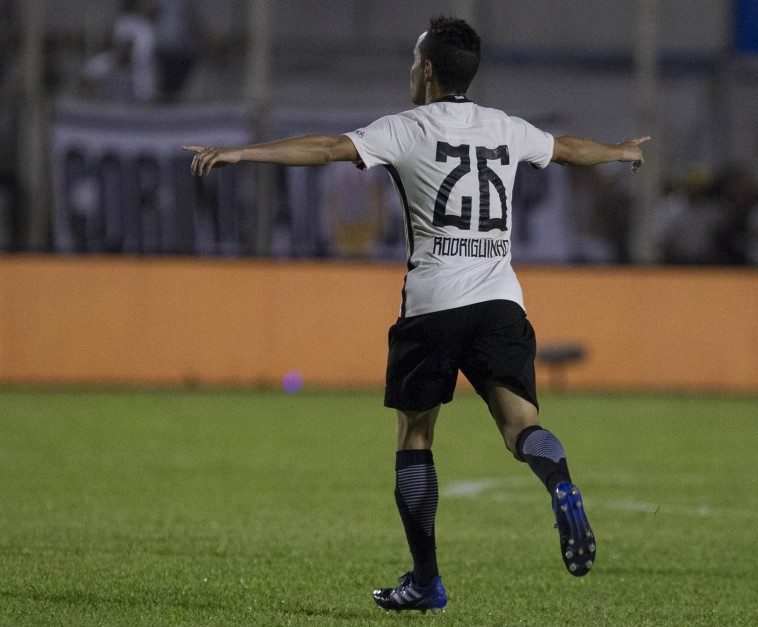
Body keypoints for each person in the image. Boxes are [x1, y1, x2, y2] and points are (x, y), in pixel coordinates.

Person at [185, 16, 648, 614]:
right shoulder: (504, 127)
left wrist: (241, 152)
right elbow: (566, 151)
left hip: (433, 304)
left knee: (416, 435)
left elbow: (327, 149)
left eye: (412, 61)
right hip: (501, 300)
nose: (410, 71)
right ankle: (560, 483)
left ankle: (426, 581)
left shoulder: (407, 129)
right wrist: (618, 151)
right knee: (521, 425)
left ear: (427, 70)